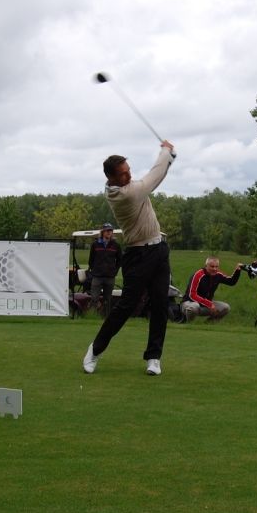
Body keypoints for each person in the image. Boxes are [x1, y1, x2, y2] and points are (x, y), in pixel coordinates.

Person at [82, 140, 176, 376]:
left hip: (158, 250)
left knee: (160, 304)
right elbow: (154, 177)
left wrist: (169, 160)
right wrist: (166, 151)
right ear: (111, 178)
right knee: (126, 306)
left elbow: (156, 178)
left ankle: (154, 357)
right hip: (138, 255)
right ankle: (95, 350)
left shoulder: (129, 186)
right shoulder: (124, 195)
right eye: (123, 174)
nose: (128, 176)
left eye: (129, 171)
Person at [181, 256, 243, 323]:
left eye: (216, 267)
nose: (214, 269)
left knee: (225, 307)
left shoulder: (218, 274)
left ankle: (208, 324)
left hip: (205, 305)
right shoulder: (198, 275)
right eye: (212, 266)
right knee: (194, 307)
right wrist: (209, 304)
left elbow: (231, 282)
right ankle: (188, 323)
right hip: (189, 303)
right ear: (206, 266)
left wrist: (237, 270)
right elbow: (192, 295)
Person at [88, 223, 122, 315]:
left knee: (108, 299)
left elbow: (119, 260)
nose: (109, 232)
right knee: (94, 298)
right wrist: (94, 270)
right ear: (102, 232)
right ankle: (92, 316)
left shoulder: (116, 245)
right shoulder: (95, 244)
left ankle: (106, 317)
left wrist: (114, 272)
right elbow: (91, 260)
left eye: (110, 231)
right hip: (97, 276)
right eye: (107, 230)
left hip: (110, 277)